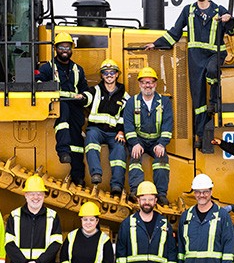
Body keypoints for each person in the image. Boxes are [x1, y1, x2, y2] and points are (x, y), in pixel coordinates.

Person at [145, 0, 231, 152]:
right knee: (198, 99)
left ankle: (214, 100)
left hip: (215, 54)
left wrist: (229, 19)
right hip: (195, 58)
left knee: (213, 71)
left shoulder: (219, 10)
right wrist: (156, 43)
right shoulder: (188, 11)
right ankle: (200, 132)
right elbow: (175, 32)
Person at [37, 32, 90, 184]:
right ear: (56, 49)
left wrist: (84, 97)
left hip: (75, 106)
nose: (65, 50)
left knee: (78, 142)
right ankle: (63, 151)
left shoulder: (78, 70)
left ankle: (78, 176)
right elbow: (38, 82)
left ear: (71, 49)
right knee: (63, 119)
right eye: (61, 47)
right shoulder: (47, 68)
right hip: (59, 104)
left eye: (67, 47)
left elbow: (85, 89)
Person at [122, 67, 174, 205]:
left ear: (155, 84)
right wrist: (134, 143)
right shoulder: (132, 102)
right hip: (139, 140)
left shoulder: (164, 102)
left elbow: (168, 124)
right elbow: (128, 124)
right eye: (144, 82)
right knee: (135, 160)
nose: (147, 85)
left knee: (162, 162)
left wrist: (162, 143)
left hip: (157, 141)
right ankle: (136, 192)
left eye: (150, 82)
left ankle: (161, 195)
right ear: (139, 84)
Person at [84, 58, 129, 194]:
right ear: (102, 76)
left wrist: (121, 131)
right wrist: (81, 97)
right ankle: (96, 174)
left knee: (120, 149)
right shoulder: (95, 90)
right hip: (96, 130)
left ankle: (116, 185)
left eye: (112, 72)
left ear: (117, 75)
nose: (109, 75)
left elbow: (126, 117)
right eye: (105, 73)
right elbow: (87, 97)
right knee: (91, 138)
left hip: (114, 133)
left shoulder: (124, 96)